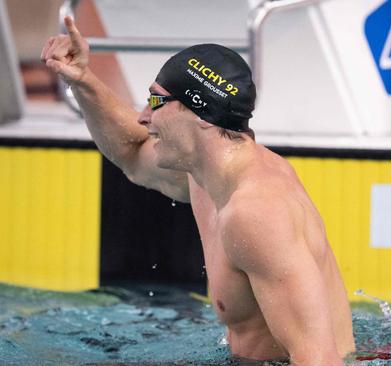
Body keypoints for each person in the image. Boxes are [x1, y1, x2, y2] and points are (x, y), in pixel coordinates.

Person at [41, 16, 354, 364]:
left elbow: (320, 358)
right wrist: (82, 79)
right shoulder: (208, 175)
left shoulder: (258, 213)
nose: (144, 117)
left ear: (202, 114)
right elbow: (131, 155)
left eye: (156, 102)